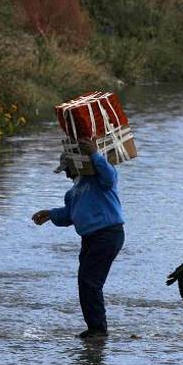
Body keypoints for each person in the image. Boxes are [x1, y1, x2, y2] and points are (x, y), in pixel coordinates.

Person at [31, 139, 126, 340]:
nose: (66, 174)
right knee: (85, 282)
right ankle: (95, 328)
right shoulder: (72, 193)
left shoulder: (99, 180)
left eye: (67, 169)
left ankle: (98, 330)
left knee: (91, 282)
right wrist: (50, 214)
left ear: (77, 165)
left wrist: (94, 154)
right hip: (90, 239)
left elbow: (111, 177)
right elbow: (71, 216)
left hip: (108, 234)